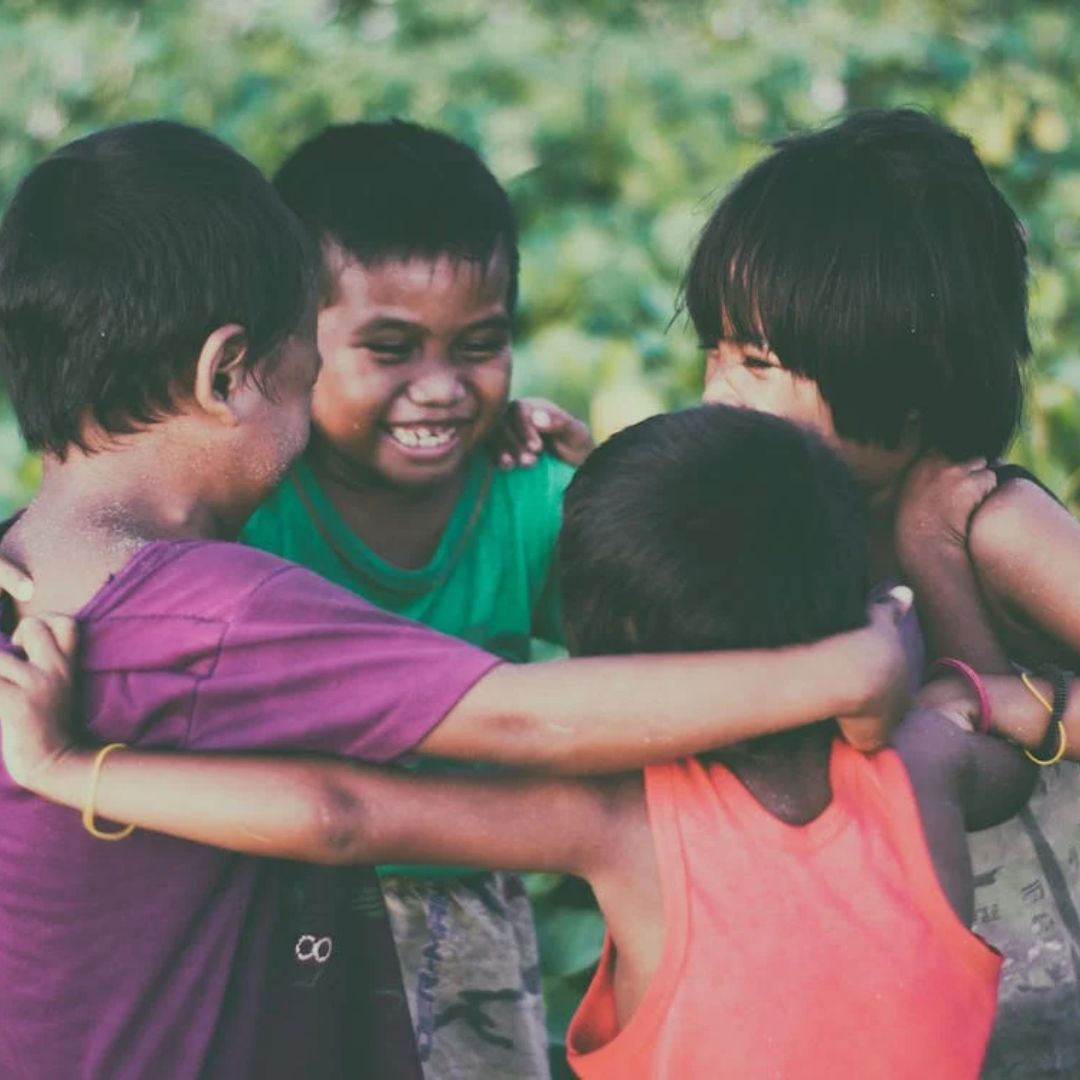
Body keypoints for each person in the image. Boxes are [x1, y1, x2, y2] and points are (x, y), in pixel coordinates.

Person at [0, 121, 910, 1080]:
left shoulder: (28, 564)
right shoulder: (216, 609)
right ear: (226, 374)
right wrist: (839, 669)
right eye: (307, 366)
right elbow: (518, 720)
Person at [0, 405, 1035, 1079]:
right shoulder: (928, 759)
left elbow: (338, 813)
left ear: (603, 651)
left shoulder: (619, 822)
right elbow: (1000, 740)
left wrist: (63, 767)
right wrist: (922, 601)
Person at [684, 107, 1080, 1077]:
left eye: (760, 364)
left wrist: (1009, 692)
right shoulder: (783, 520)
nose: (717, 392)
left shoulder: (998, 524)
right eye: (717, 349)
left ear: (907, 401)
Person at [254, 120, 585, 1077]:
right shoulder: (249, 504)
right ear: (287, 339)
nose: (440, 389)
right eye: (391, 349)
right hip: (276, 899)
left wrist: (614, 481)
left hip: (470, 910)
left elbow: (673, 631)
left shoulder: (535, 499)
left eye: (479, 346)